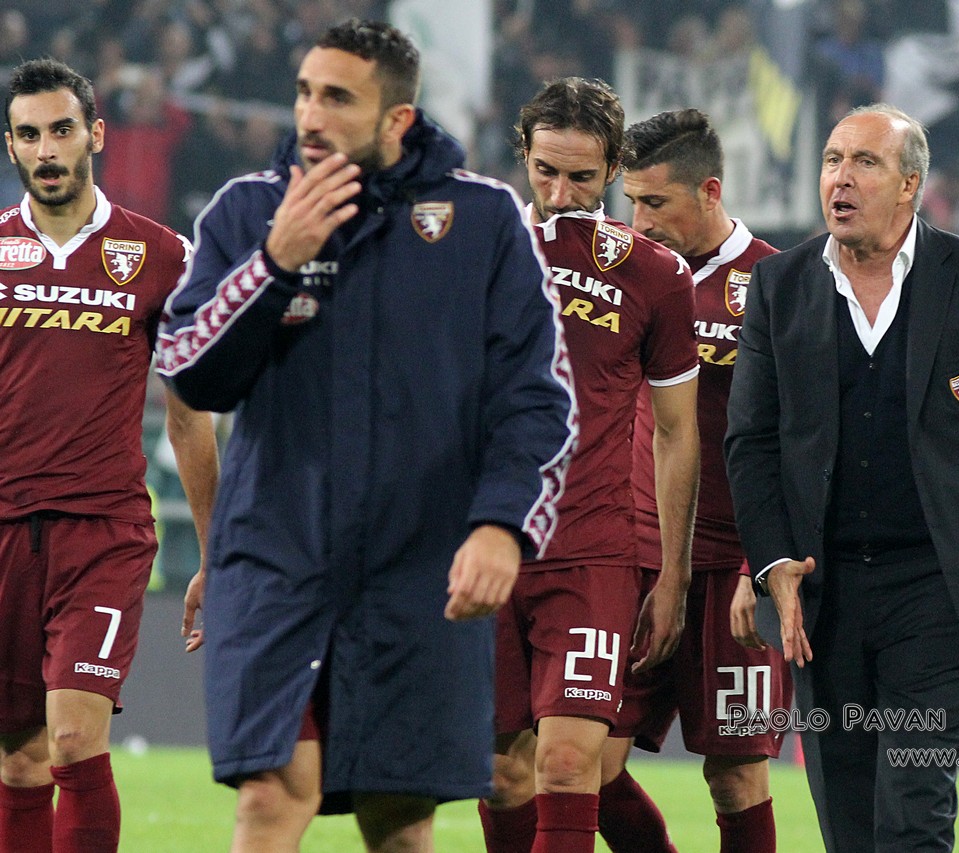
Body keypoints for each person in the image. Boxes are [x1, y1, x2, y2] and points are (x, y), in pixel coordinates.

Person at [157, 19, 576, 853]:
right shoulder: (249, 210)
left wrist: (502, 525)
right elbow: (189, 371)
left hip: (419, 569)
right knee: (271, 792)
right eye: (305, 92)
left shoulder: (483, 220)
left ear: (397, 119)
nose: (311, 115)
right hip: (275, 561)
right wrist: (274, 263)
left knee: (399, 817)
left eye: (338, 98)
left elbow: (537, 400)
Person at [723, 103, 959, 852]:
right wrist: (771, 562)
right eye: (832, 160)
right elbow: (751, 442)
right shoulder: (778, 286)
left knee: (914, 815)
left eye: (864, 162)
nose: (840, 178)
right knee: (850, 825)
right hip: (824, 595)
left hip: (938, 591)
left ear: (910, 185)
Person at [0, 58, 219, 853]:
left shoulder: (162, 256)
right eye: (29, 135)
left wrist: (215, 551)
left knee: (71, 738)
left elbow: (189, 418)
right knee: (20, 758)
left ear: (95, 133)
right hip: (5, 528)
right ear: (12, 146)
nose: (47, 150)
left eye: (61, 129)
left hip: (104, 531)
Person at [480, 78, 699, 853]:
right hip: (488, 546)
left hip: (592, 552)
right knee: (502, 772)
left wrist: (672, 575)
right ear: (523, 156)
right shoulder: (480, 251)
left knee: (570, 763)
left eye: (581, 176)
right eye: (546, 171)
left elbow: (677, 431)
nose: (561, 192)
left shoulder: (655, 274)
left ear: (612, 170)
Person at [597, 108, 791, 853]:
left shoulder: (776, 283)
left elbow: (800, 444)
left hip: (734, 570)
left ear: (710, 191)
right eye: (630, 202)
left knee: (735, 777)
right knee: (587, 762)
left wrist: (758, 566)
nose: (639, 222)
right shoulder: (626, 275)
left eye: (656, 202)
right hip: (635, 562)